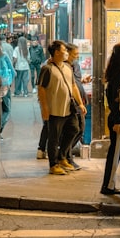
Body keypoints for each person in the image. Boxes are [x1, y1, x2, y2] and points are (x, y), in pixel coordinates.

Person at [39, 40, 85, 176]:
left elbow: (73, 86)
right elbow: (41, 89)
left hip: (68, 108)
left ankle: (62, 156)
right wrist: (44, 108)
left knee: (74, 129)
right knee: (54, 137)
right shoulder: (47, 69)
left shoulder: (67, 67)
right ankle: (53, 164)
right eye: (64, 50)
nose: (66, 53)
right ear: (57, 52)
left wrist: (80, 103)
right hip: (55, 109)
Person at [100, 43, 120, 195]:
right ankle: (108, 185)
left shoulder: (115, 73)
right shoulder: (119, 75)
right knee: (116, 153)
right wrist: (119, 120)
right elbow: (117, 100)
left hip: (119, 119)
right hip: (118, 120)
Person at [65, 43, 89, 168]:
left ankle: (65, 155)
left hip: (79, 101)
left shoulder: (74, 65)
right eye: (75, 54)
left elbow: (76, 83)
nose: (77, 56)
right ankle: (65, 156)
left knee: (80, 129)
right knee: (75, 129)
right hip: (71, 103)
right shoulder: (64, 66)